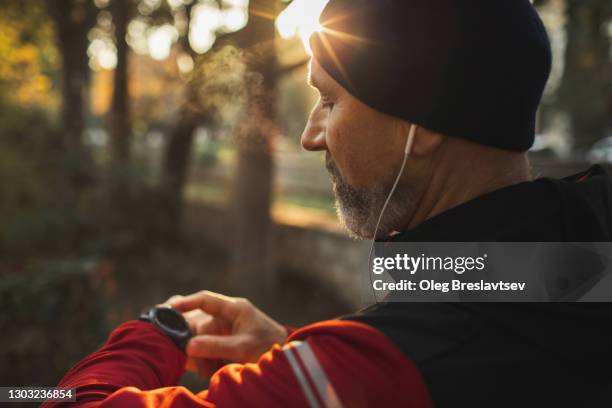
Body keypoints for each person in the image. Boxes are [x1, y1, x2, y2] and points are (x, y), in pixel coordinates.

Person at [44, 1, 612, 407]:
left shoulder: (395, 358)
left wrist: (158, 331)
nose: (310, 136)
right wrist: (296, 353)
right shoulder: (582, 248)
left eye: (329, 101)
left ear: (424, 124)